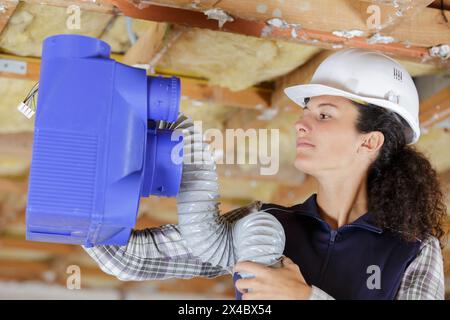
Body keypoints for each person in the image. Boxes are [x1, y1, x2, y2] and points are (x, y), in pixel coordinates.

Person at [84, 49, 447, 300]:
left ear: (369, 142)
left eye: (323, 114)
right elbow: (127, 258)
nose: (301, 123)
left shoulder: (412, 250)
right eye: (305, 111)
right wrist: (80, 159)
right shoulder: (267, 224)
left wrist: (304, 297)